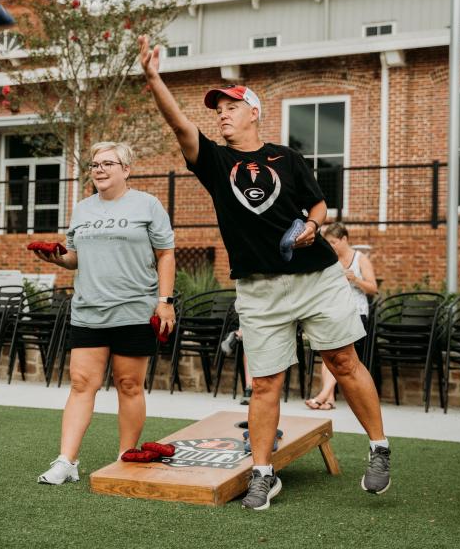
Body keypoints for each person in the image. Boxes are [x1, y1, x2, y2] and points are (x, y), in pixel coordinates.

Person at [139, 36, 391, 511]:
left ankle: (379, 448)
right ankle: (262, 474)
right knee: (264, 383)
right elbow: (179, 125)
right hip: (257, 289)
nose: (222, 114)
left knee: (343, 362)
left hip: (315, 278)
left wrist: (314, 226)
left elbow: (318, 203)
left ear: (254, 111)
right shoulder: (216, 162)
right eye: (218, 110)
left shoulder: (288, 158)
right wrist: (155, 79)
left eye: (231, 107)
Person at [35, 141, 176, 485]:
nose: (98, 169)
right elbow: (75, 257)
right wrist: (57, 257)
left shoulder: (148, 205)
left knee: (129, 385)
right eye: (94, 164)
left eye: (107, 163)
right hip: (88, 310)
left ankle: (125, 456)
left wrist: (166, 300)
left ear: (126, 169)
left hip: (134, 310)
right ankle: (66, 461)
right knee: (82, 383)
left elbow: (166, 254)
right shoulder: (82, 208)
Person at [305, 223, 379, 410]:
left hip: (356, 313)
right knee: (328, 350)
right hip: (333, 312)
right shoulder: (331, 260)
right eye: (328, 242)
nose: (331, 246)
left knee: (339, 352)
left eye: (334, 242)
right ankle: (329, 399)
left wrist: (355, 279)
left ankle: (323, 396)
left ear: (344, 239)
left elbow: (373, 288)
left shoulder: (360, 259)